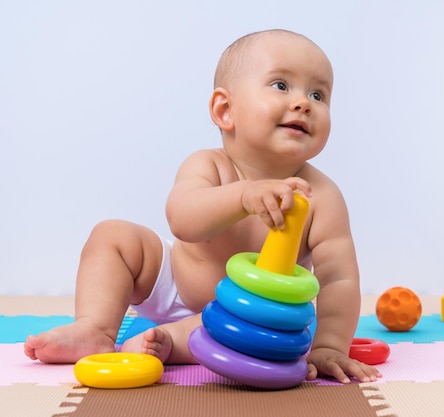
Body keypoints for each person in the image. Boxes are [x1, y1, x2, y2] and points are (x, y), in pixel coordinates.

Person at [24, 29, 381, 384]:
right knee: (112, 235)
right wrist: (244, 196)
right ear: (225, 110)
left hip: (243, 315)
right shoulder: (208, 164)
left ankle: (169, 343)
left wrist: (330, 345)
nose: (303, 102)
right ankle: (95, 328)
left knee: (242, 337)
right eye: (281, 86)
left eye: (318, 94)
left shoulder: (320, 196)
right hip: (175, 279)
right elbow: (183, 220)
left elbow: (338, 277)